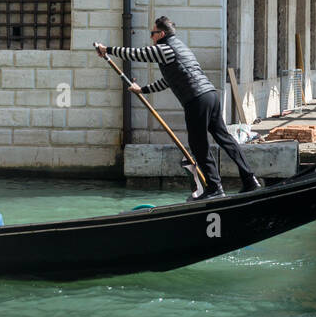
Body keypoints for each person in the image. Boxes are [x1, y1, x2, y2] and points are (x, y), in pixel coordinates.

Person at [95, 16, 262, 200]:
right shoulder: (182, 48)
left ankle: (215, 188)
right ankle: (250, 180)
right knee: (225, 139)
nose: (151, 37)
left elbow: (137, 54)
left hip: (196, 100)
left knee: (199, 145)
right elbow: (168, 81)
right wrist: (143, 89)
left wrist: (107, 49)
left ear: (162, 34)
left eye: (153, 34)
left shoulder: (165, 48)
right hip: (210, 96)